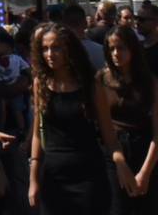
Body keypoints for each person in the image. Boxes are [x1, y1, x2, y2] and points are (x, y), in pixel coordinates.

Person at [28, 20, 112, 215]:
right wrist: (33, 178)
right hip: (54, 175)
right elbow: (37, 133)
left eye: (56, 48)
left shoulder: (91, 85)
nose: (50, 54)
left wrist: (121, 166)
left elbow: (109, 135)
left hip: (88, 174)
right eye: (45, 49)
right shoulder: (41, 83)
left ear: (69, 49)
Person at [99, 26, 158, 215]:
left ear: (132, 48)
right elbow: (105, 128)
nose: (116, 53)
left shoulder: (149, 80)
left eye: (121, 47)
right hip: (115, 152)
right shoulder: (102, 80)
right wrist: (121, 164)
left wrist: (145, 172)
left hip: (145, 149)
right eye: (111, 48)